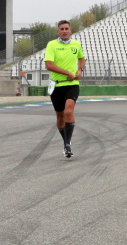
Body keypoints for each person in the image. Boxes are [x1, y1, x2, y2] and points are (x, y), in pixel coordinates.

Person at [44, 20, 85, 158]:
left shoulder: (76, 44)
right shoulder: (52, 45)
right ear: (58, 32)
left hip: (72, 84)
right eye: (62, 29)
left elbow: (81, 58)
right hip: (57, 85)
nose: (64, 31)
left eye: (67, 28)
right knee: (60, 116)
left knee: (68, 111)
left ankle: (67, 144)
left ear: (70, 31)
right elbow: (49, 65)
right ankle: (65, 141)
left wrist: (80, 70)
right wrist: (67, 72)